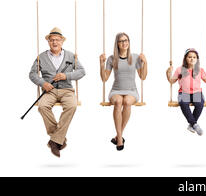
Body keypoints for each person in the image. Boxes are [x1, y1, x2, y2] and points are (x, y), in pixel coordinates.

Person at [29, 27, 86, 157]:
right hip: (50, 91)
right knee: (42, 107)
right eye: (52, 40)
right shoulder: (41, 57)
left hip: (67, 90)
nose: (55, 42)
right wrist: (43, 83)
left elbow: (82, 71)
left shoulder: (71, 56)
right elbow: (32, 74)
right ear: (48, 42)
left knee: (72, 106)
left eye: (57, 40)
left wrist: (66, 76)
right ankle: (59, 139)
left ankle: (54, 140)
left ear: (62, 41)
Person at [100, 32, 148, 151]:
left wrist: (145, 62)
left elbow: (142, 76)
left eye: (126, 40)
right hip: (116, 90)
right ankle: (120, 138)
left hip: (131, 90)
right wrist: (101, 64)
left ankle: (118, 136)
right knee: (118, 101)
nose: (124, 43)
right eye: (121, 41)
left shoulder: (135, 57)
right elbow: (104, 78)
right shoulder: (112, 59)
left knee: (126, 101)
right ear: (117, 43)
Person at [166, 48, 206, 136]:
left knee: (200, 103)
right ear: (185, 58)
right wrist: (168, 73)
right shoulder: (180, 69)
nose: (192, 59)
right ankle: (194, 124)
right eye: (189, 57)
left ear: (197, 59)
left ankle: (192, 124)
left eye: (194, 57)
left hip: (196, 92)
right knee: (183, 103)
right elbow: (172, 81)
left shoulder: (200, 70)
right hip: (184, 92)